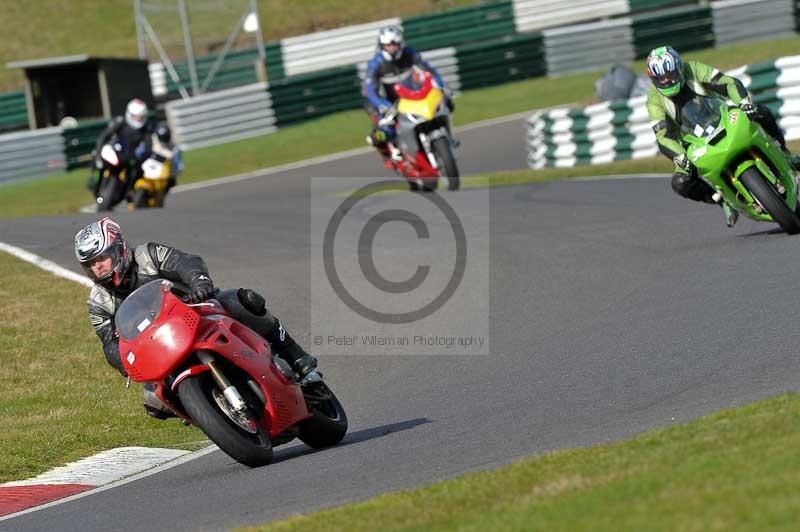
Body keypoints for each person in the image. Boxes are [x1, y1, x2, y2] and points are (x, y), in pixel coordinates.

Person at [74, 217, 317, 419]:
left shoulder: (148, 255)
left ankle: (294, 356)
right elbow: (109, 342)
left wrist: (199, 283)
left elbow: (185, 263)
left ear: (119, 249)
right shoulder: (98, 302)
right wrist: (124, 362)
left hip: (198, 312)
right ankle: (209, 414)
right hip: (160, 346)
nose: (98, 267)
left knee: (244, 300)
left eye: (101, 258)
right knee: (153, 401)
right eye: (91, 264)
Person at [645, 46, 800, 227]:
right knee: (680, 182)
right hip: (691, 142)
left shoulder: (692, 69)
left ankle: (786, 154)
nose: (667, 81)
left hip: (720, 117)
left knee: (761, 111)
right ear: (653, 79)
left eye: (671, 75)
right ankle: (721, 199)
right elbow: (663, 136)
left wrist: (744, 103)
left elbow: (727, 82)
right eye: (661, 78)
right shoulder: (654, 99)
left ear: (679, 68)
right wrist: (679, 155)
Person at [363, 25, 451, 165]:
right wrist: (383, 105)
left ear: (400, 43)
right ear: (382, 45)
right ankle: (390, 153)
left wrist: (440, 85)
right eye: (388, 45)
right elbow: (369, 91)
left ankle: (449, 138)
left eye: (394, 44)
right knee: (384, 131)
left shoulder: (409, 53)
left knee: (445, 104)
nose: (392, 48)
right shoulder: (375, 64)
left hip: (411, 97)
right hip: (387, 102)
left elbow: (429, 70)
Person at [89, 98, 154, 198]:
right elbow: (104, 136)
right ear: (129, 114)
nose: (138, 119)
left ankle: (129, 191)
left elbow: (148, 148)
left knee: (137, 172)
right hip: (115, 152)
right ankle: (94, 181)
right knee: (98, 162)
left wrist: (141, 159)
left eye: (140, 117)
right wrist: (98, 154)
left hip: (129, 158)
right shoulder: (120, 122)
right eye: (135, 117)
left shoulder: (145, 130)